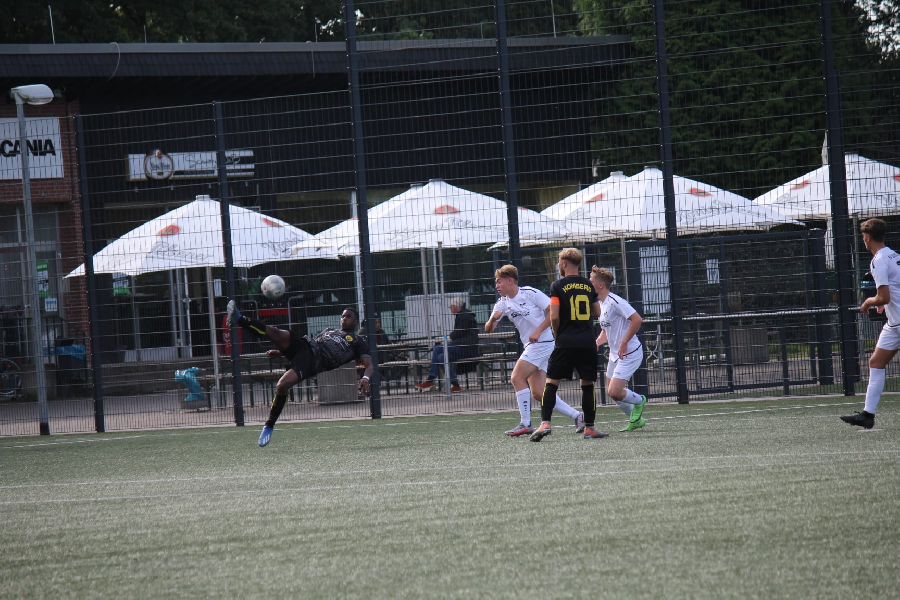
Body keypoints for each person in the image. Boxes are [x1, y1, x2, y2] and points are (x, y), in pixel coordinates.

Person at [226, 301, 373, 446]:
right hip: (305, 346)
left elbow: (369, 366)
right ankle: (239, 318)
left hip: (313, 362)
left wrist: (365, 378)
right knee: (276, 333)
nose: (344, 319)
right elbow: (316, 342)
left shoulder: (358, 341)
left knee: (281, 386)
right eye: (343, 316)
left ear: (356, 322)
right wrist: (281, 352)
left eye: (348, 316)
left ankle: (269, 425)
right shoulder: (330, 330)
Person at [486, 264, 585, 436]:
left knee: (516, 378)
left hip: (543, 342)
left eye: (499, 281)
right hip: (533, 345)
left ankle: (526, 423)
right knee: (539, 393)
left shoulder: (530, 293)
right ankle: (578, 416)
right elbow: (489, 329)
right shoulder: (502, 303)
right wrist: (492, 320)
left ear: (510, 281)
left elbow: (553, 312)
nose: (497, 286)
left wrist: (538, 331)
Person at [531, 248, 607, 441]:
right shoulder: (588, 285)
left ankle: (545, 423)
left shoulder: (557, 285)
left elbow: (554, 316)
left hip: (565, 341)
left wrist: (558, 334)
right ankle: (590, 428)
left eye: (559, 262)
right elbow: (597, 312)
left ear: (564, 263)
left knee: (551, 383)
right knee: (587, 385)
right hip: (587, 341)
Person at [841, 218, 900, 430]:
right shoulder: (894, 255)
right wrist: (885, 302)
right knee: (875, 362)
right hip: (894, 324)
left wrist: (869, 301)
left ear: (867, 237)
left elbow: (883, 296)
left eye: (862, 236)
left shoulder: (878, 261)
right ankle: (867, 415)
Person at [589, 266, 647, 432]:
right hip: (615, 354)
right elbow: (606, 330)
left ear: (600, 285)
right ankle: (636, 420)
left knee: (615, 391)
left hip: (630, 353)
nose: (588, 284)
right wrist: (597, 342)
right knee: (613, 393)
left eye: (591, 281)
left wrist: (624, 342)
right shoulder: (601, 304)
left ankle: (640, 400)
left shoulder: (615, 301)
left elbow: (637, 320)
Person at [415, 297, 479, 393]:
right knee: (441, 358)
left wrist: (451, 336)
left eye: (451, 307)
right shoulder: (465, 315)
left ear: (455, 307)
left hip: (465, 348)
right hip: (466, 348)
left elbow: (458, 333)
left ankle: (430, 379)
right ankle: (455, 384)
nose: (450, 309)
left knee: (437, 349)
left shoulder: (463, 316)